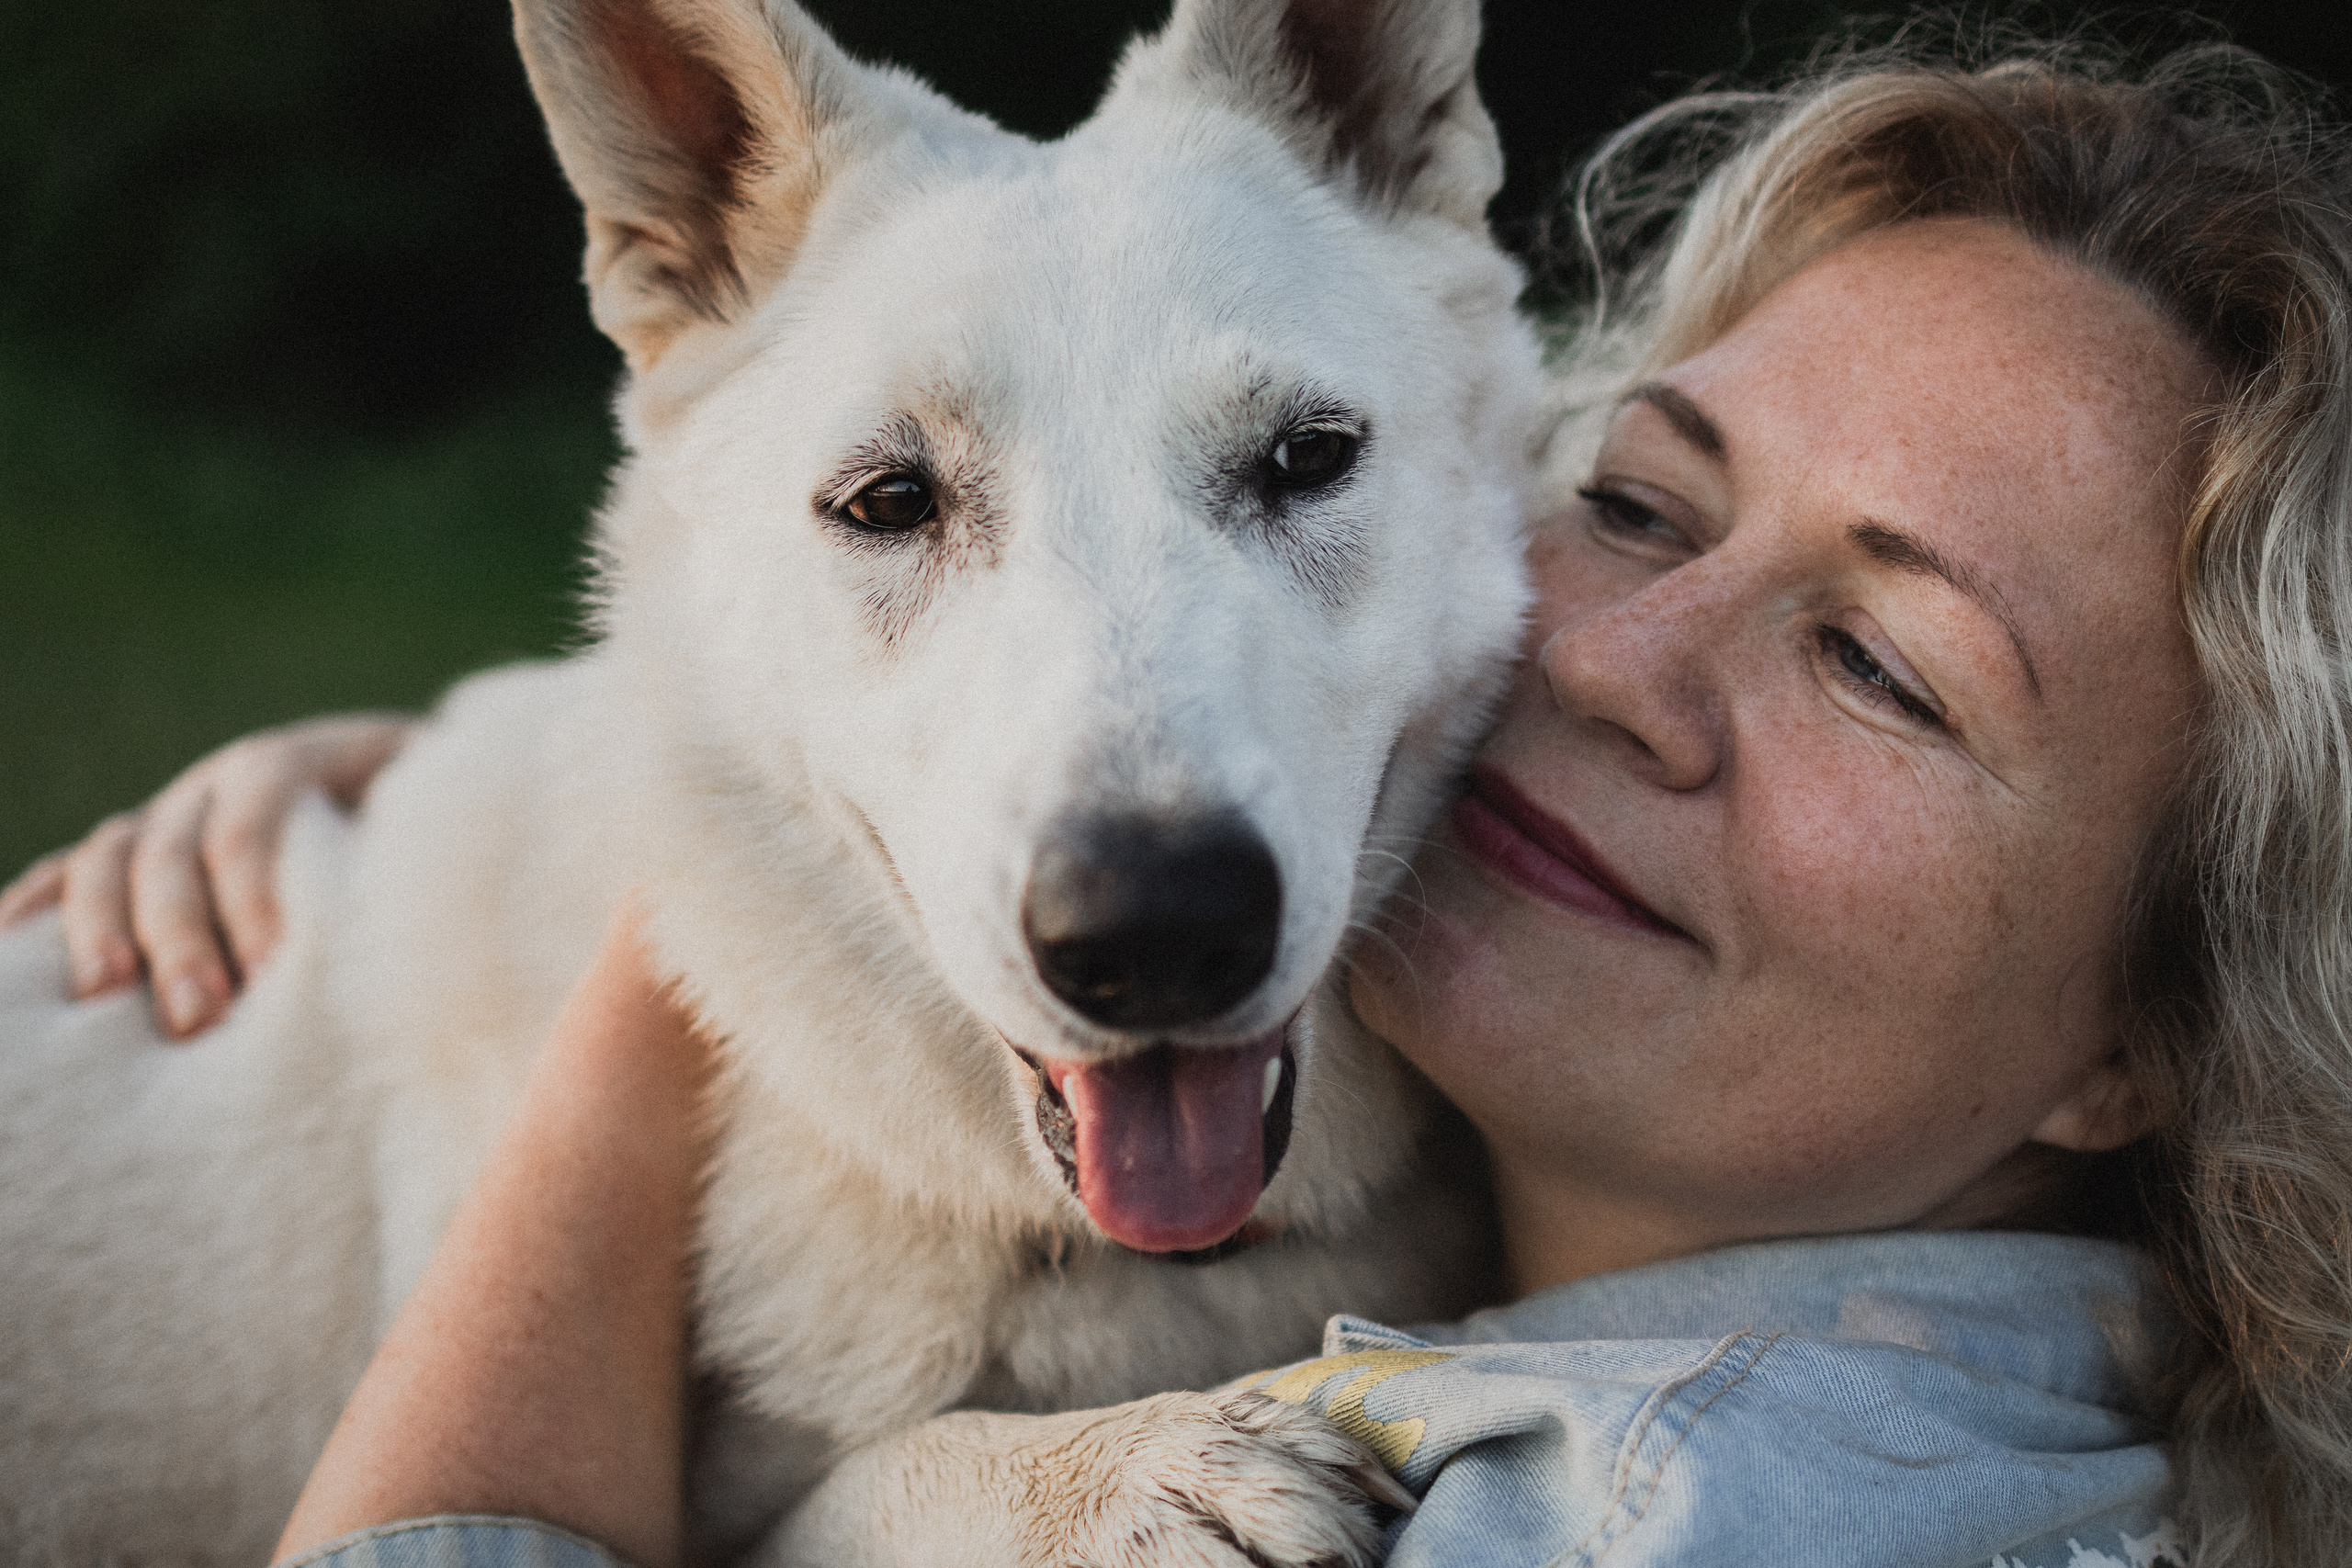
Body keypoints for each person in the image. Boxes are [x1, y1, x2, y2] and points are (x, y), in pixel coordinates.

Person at [10, 32, 2352, 1568]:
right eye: (1634, 505)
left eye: (1877, 662)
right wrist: (415, 779)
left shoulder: (1614, 1501)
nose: (1610, 660)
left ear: (2147, 1021)